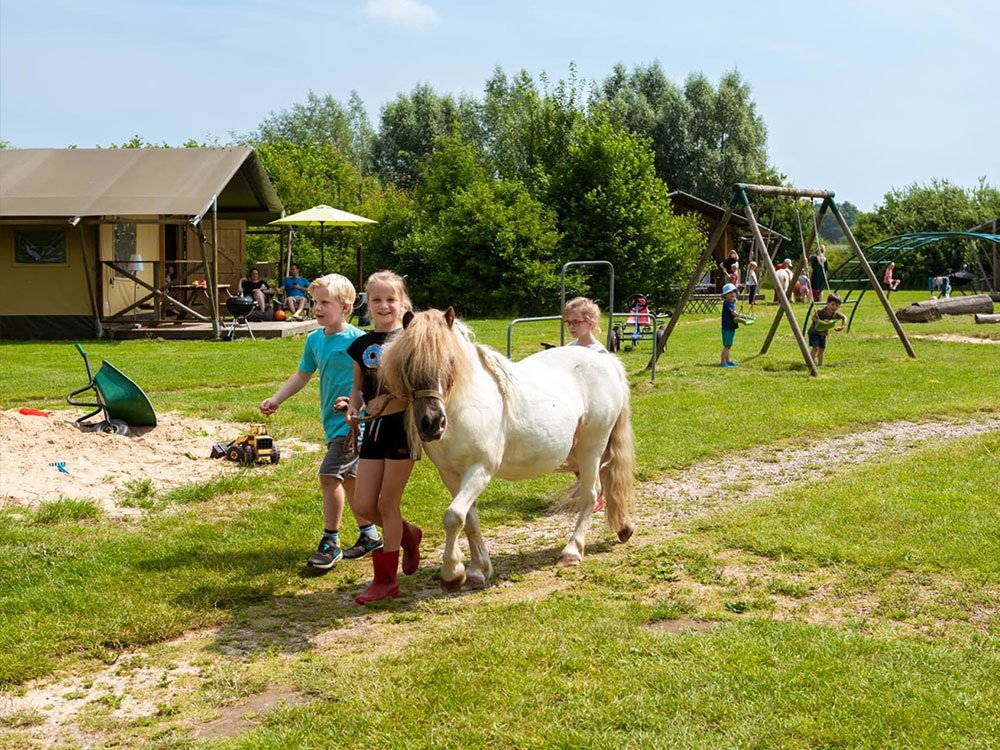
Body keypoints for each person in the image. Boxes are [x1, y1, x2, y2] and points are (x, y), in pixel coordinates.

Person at [259, 273, 382, 570]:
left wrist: (356, 404)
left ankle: (331, 542)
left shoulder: (359, 341)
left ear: (345, 307)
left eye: (325, 302)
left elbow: (374, 381)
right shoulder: (314, 340)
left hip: (352, 424)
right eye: (315, 302)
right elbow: (303, 374)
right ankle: (369, 536)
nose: (317, 308)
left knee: (329, 476)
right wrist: (277, 399)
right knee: (350, 482)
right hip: (331, 423)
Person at [346, 270, 423, 605]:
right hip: (371, 431)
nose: (384, 305)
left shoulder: (409, 342)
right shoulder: (361, 344)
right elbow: (358, 388)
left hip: (401, 431)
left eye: (390, 299)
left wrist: (385, 404)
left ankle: (386, 580)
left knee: (387, 504)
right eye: (376, 299)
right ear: (367, 304)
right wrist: (352, 406)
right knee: (364, 504)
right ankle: (408, 534)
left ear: (402, 301)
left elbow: (415, 392)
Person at [808, 293, 847, 367]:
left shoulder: (835, 314)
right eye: (832, 304)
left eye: (837, 305)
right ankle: (810, 363)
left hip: (823, 334)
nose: (834, 307)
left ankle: (820, 365)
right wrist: (820, 322)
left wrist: (842, 326)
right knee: (815, 348)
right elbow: (813, 318)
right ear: (827, 303)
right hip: (814, 332)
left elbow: (844, 317)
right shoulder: (821, 311)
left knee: (822, 349)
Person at [720, 282, 740, 368]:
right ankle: (723, 362)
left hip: (730, 327)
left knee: (728, 345)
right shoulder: (727, 303)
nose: (732, 294)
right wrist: (742, 316)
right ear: (725, 295)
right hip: (727, 327)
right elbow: (733, 313)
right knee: (726, 346)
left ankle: (728, 361)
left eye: (733, 292)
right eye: (730, 293)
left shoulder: (730, 302)